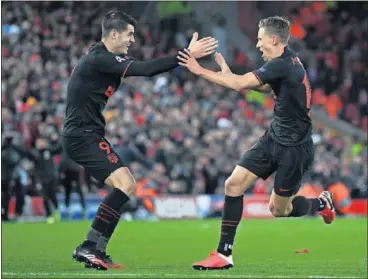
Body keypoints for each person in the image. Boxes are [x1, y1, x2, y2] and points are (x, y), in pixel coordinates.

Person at [61, 9, 218, 270]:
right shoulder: (101, 59)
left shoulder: (102, 57)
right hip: (82, 135)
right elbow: (146, 70)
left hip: (86, 134)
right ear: (113, 34)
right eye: (129, 34)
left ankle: (96, 249)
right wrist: (186, 54)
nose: (133, 40)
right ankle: (89, 246)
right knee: (125, 184)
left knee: (125, 186)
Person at [177, 16, 336, 270]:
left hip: (295, 149)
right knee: (233, 184)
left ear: (274, 39)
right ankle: (223, 254)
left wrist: (199, 70)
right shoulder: (287, 61)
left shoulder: (282, 64)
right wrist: (231, 76)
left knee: (278, 210)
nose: (258, 44)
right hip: (274, 137)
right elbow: (268, 87)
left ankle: (321, 203)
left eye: (261, 39)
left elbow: (240, 84)